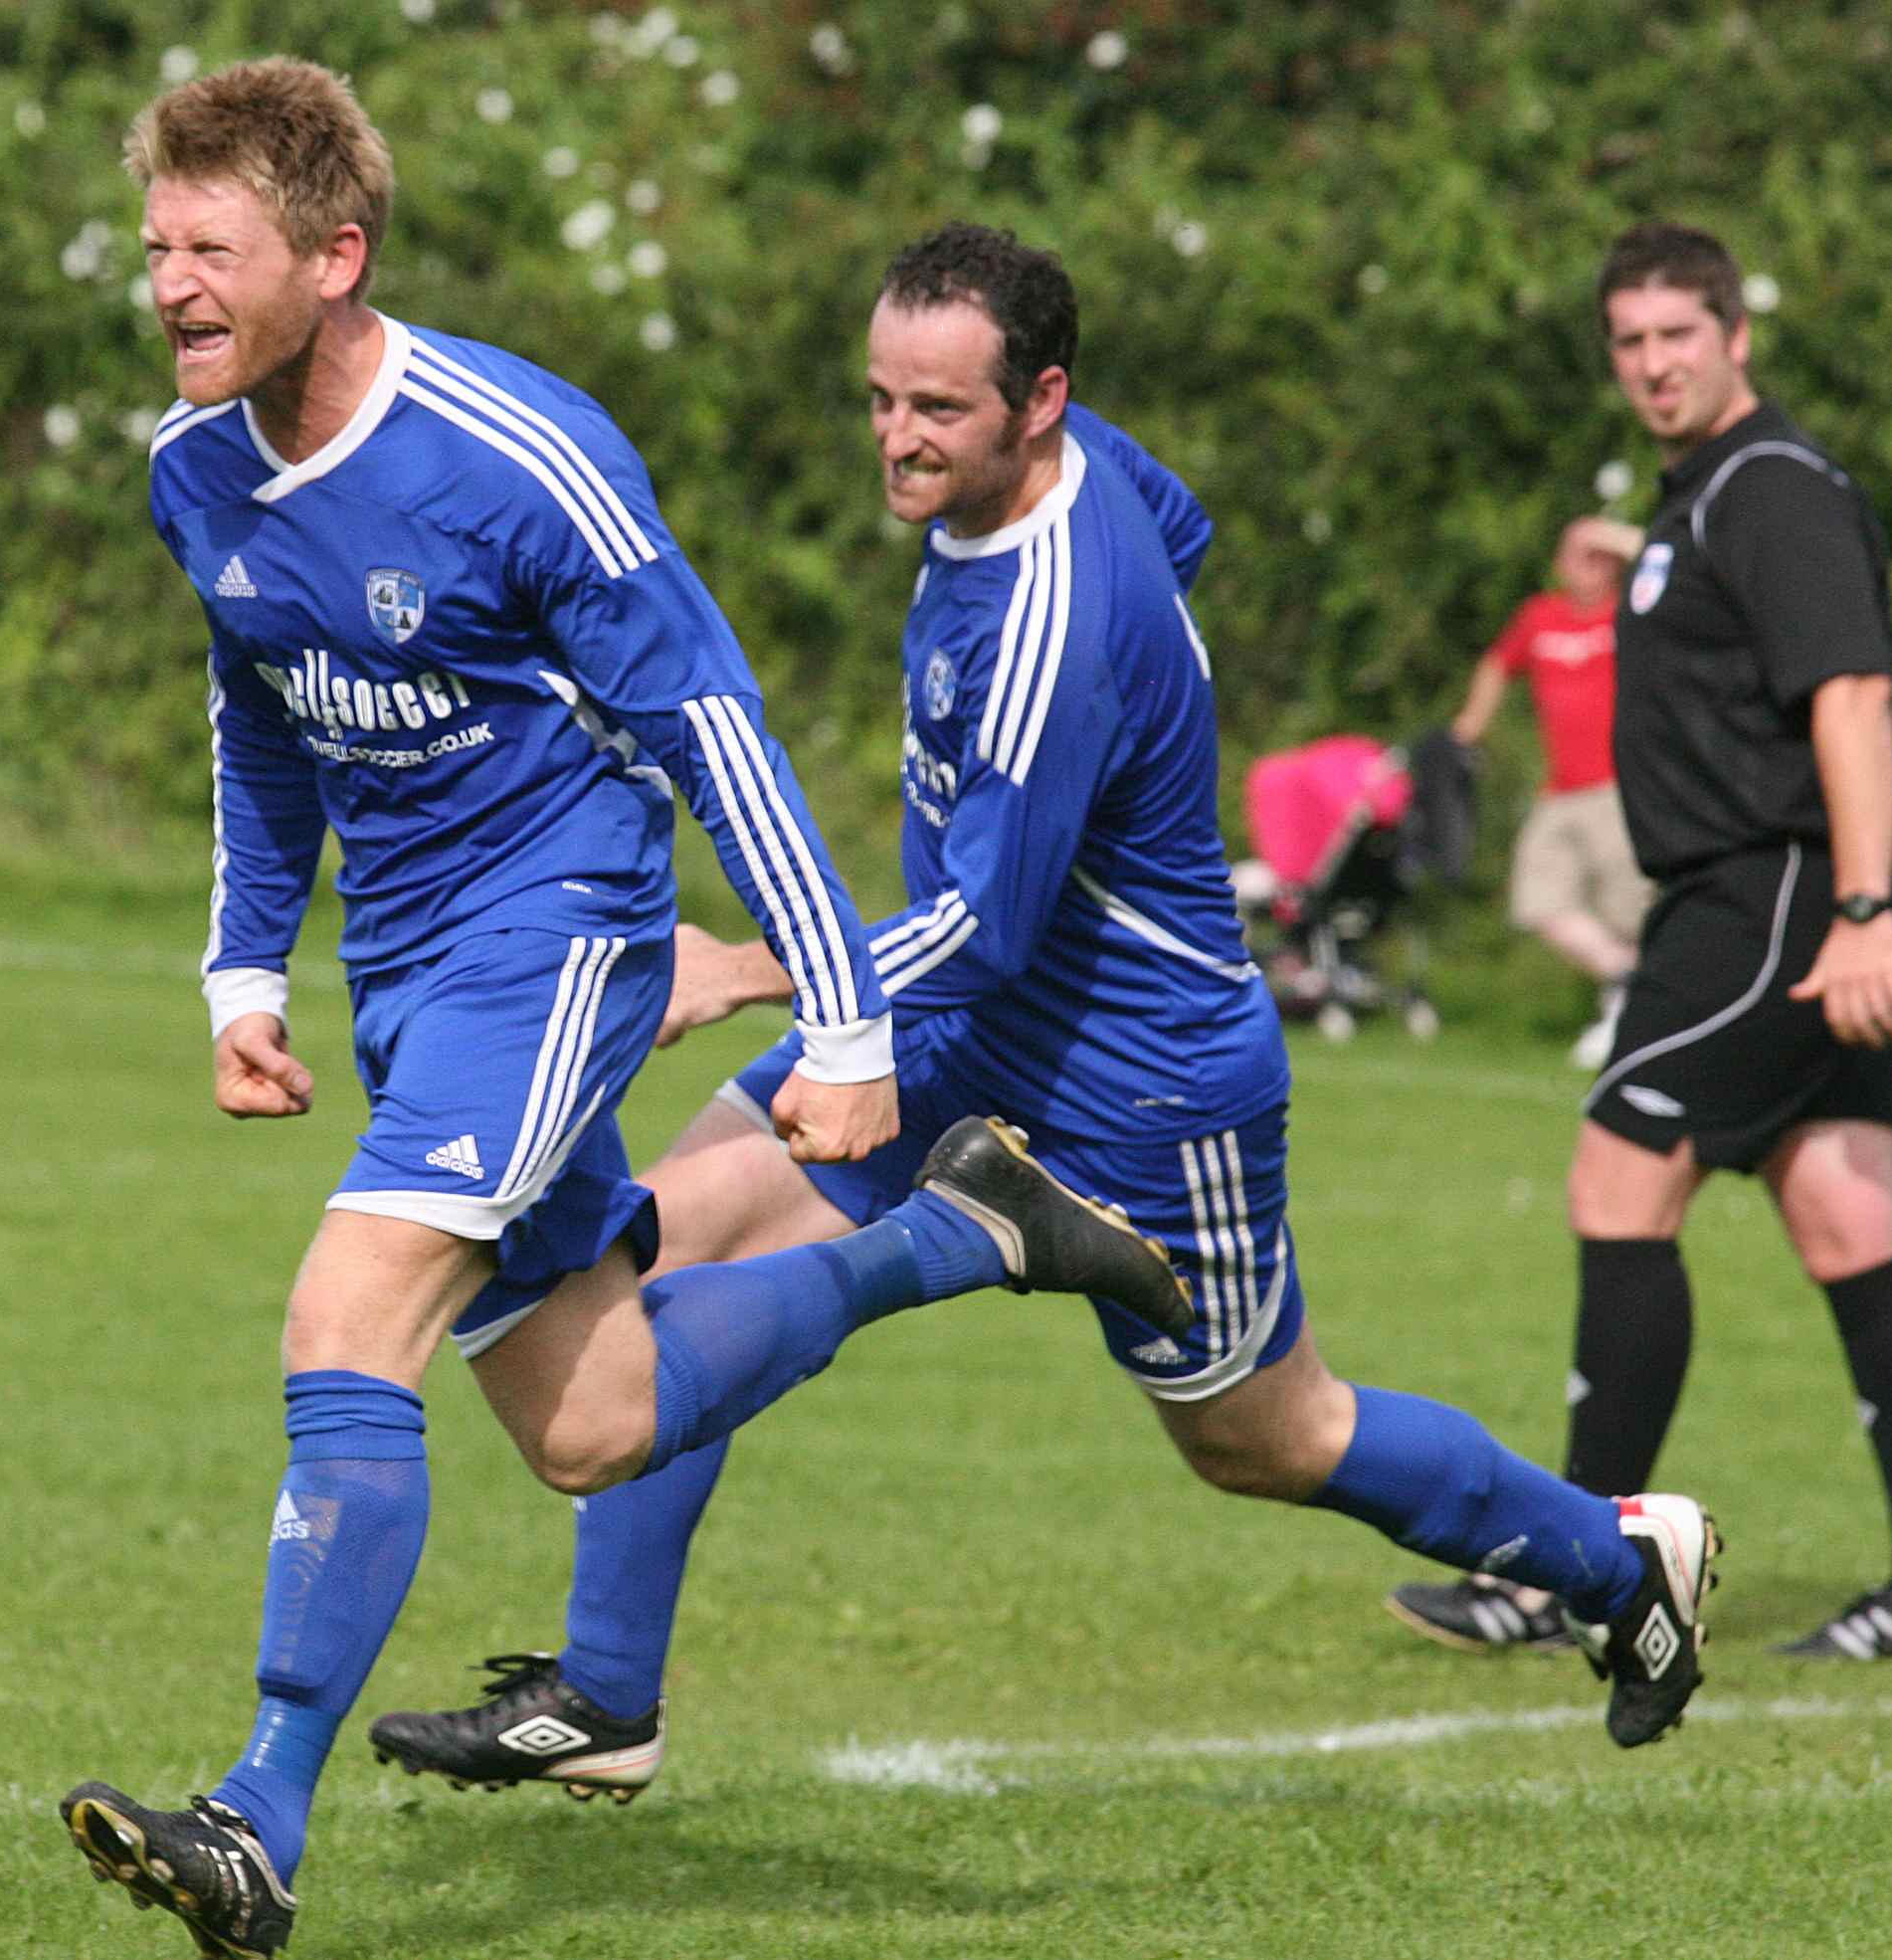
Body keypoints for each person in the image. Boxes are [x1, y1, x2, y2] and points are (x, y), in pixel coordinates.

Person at [57, 64, 1196, 1960]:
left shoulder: (516, 451)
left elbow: (713, 732)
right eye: (156, 244)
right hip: (410, 975)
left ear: (335, 258)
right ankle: (964, 1232)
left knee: (347, 1314)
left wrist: (840, 1018)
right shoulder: (194, 472)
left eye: (211, 247)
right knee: (594, 1423)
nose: (169, 282)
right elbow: (256, 715)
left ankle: (257, 1812)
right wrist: (246, 966)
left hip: (562, 934)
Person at [365, 221, 1721, 1812]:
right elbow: (1183, 533)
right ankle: (605, 1689)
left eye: (937, 410)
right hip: (966, 1022)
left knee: (1267, 1437)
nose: (896, 437)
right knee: (678, 1237)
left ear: (1039, 401)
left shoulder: (1048, 622)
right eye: (880, 398)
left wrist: (743, 965)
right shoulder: (1088, 475)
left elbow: (980, 919)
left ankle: (1621, 1561)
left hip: (1147, 1085)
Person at [1390, 221, 1892, 1666]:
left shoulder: (1770, 488)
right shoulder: (1697, 500)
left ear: (1734, 335)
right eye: (1628, 342)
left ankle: (1568, 1571)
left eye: (1677, 333)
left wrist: (1856, 910)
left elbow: (1849, 700)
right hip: (1745, 890)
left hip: (1768, 894)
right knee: (1847, 1214)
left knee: (1615, 1174)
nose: (1652, 363)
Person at [1448, 516, 1656, 1069]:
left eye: (1601, 558)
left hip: (1623, 786)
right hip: (1560, 792)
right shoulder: (1540, 617)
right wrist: (1470, 724)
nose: (1591, 567)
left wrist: (1609, 535)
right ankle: (1631, 984)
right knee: (1539, 903)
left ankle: (1634, 1020)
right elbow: (1497, 664)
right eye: (1579, 556)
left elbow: (1673, 560)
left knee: (1629, 911)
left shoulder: (1632, 611)